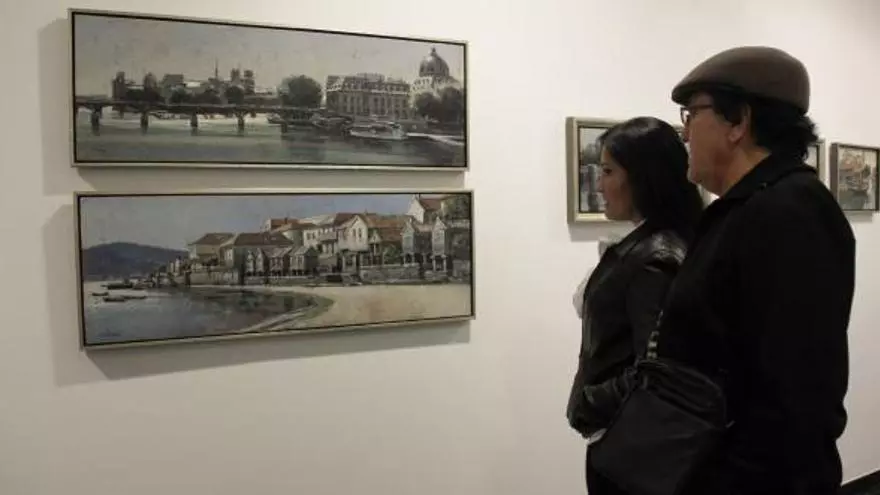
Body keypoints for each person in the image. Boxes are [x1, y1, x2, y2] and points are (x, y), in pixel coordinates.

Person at [654, 46, 856, 494]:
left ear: (738, 122)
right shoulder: (749, 207)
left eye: (692, 114)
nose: (684, 133)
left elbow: (797, 389)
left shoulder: (790, 211)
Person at [565, 116, 705, 494]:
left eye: (608, 171)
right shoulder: (648, 244)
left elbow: (659, 368)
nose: (599, 184)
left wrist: (590, 402)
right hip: (626, 443)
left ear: (644, 177)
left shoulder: (654, 257)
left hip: (632, 451)